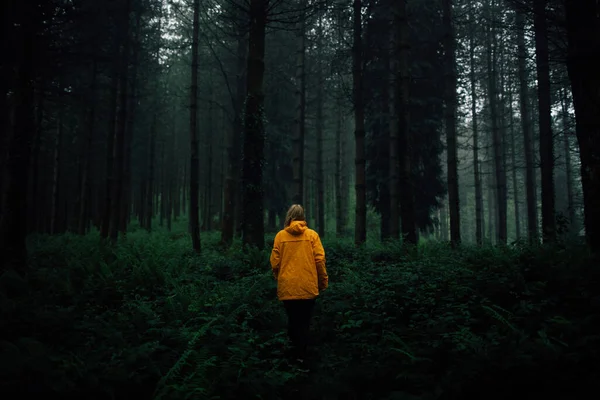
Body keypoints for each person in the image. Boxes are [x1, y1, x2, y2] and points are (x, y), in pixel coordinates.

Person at [270, 204, 328, 363]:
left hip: (288, 287)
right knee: (305, 322)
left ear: (289, 216)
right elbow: (320, 261)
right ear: (303, 217)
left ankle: (291, 357)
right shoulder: (312, 236)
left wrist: (280, 278)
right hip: (308, 287)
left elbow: (275, 264)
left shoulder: (280, 236)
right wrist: (322, 282)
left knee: (292, 321)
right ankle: (303, 356)